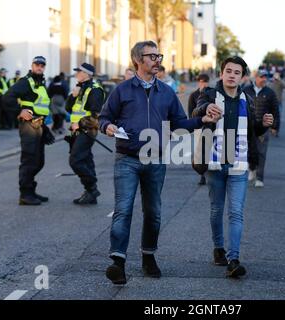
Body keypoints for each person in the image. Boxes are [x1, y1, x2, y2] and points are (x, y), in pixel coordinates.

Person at [99, 41, 217, 285]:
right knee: (124, 209)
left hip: (156, 159)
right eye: (151, 56)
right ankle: (118, 263)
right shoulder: (122, 90)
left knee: (153, 212)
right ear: (137, 60)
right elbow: (104, 117)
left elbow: (179, 123)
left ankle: (148, 256)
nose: (157, 59)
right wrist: (107, 127)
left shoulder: (166, 92)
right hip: (127, 159)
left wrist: (202, 120)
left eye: (158, 55)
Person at [193, 56, 274, 278]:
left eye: (236, 72)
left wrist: (263, 125)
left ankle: (233, 258)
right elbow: (196, 112)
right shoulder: (209, 94)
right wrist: (206, 109)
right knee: (217, 209)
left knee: (236, 212)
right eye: (228, 70)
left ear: (242, 77)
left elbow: (252, 131)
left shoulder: (246, 99)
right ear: (221, 73)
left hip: (239, 163)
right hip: (214, 161)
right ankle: (218, 248)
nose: (232, 75)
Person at [3, 56, 54, 206]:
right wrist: (20, 111)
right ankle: (25, 194)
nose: (39, 67)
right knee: (29, 160)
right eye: (37, 64)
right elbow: (7, 98)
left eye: (42, 65)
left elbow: (41, 107)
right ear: (32, 65)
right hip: (28, 126)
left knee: (38, 161)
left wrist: (46, 127)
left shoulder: (41, 83)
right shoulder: (26, 82)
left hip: (39, 125)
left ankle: (31, 190)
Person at [65, 63, 105, 205]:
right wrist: (72, 95)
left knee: (75, 160)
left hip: (87, 129)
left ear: (86, 74)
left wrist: (80, 124)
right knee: (86, 159)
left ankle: (91, 188)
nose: (76, 74)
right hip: (77, 130)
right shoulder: (79, 88)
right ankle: (90, 192)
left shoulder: (95, 90)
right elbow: (68, 108)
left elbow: (95, 116)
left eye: (79, 72)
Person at [243, 69, 279, 188]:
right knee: (248, 151)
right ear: (256, 78)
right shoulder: (246, 90)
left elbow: (275, 110)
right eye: (262, 77)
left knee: (261, 152)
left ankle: (259, 177)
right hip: (249, 127)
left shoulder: (270, 92)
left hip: (263, 128)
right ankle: (251, 169)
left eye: (265, 77)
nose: (264, 79)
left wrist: (274, 126)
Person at [188, 73, 211, 186]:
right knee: (199, 153)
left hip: (209, 128)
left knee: (208, 150)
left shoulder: (211, 93)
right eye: (201, 82)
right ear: (198, 82)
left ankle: (208, 173)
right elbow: (190, 112)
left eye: (205, 82)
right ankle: (202, 175)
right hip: (198, 126)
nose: (203, 84)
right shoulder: (193, 95)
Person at [268, 72, 285, 136]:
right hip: (270, 103)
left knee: (278, 117)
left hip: (278, 103)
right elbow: (267, 88)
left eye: (277, 76)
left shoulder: (280, 83)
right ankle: (271, 128)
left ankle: (276, 130)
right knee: (271, 116)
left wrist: (279, 79)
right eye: (275, 75)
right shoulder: (271, 82)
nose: (276, 77)